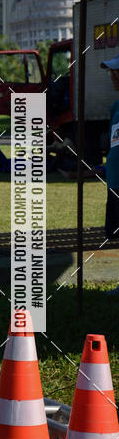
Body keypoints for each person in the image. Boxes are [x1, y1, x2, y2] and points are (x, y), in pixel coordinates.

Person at [101, 54, 119, 293]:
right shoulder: (115, 106)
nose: (113, 76)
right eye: (111, 72)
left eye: (117, 72)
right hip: (114, 180)